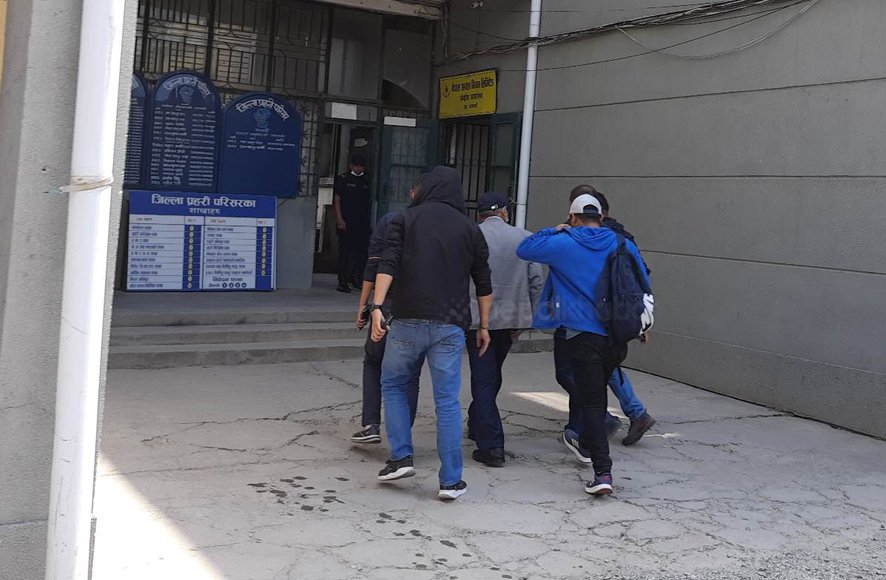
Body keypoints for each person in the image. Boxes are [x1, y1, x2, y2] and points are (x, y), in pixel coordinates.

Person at [369, 165, 492, 501]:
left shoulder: (404, 220)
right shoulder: (470, 229)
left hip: (407, 320)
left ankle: (401, 458)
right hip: (450, 325)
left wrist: (376, 306)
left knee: (394, 385)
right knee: (447, 401)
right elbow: (483, 282)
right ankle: (450, 481)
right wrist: (483, 325)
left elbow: (387, 263)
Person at [517, 194, 651, 496]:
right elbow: (643, 283)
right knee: (598, 392)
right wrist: (643, 325)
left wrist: (555, 229)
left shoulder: (563, 243)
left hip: (581, 334)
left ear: (573, 218)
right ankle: (592, 449)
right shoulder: (621, 242)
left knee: (592, 403)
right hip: (616, 335)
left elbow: (524, 248)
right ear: (601, 218)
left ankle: (603, 472)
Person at [554, 185, 656, 451]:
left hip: (590, 317)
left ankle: (607, 419)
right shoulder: (621, 237)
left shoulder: (590, 236)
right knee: (603, 368)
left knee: (581, 371)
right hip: (615, 315)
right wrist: (639, 320)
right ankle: (609, 419)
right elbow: (640, 278)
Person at [466, 192, 543, 468]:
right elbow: (536, 281)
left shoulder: (471, 236)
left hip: (478, 318)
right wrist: (528, 317)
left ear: (480, 215)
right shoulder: (525, 238)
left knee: (484, 377)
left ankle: (492, 445)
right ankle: (478, 423)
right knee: (492, 373)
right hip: (511, 318)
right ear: (504, 213)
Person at [350, 182, 422, 444]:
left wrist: (364, 306)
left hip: (387, 306)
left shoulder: (391, 220)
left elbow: (373, 266)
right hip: (419, 309)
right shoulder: (438, 226)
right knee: (410, 373)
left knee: (373, 361)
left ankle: (371, 424)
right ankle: (402, 433)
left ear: (412, 193)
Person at [334, 154, 371, 293]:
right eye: (356, 166)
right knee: (345, 252)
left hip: (362, 222)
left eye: (361, 166)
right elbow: (337, 200)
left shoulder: (366, 180)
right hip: (347, 221)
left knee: (362, 251)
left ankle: (356, 278)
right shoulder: (343, 179)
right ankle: (342, 281)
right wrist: (339, 218)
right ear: (351, 166)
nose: (359, 168)